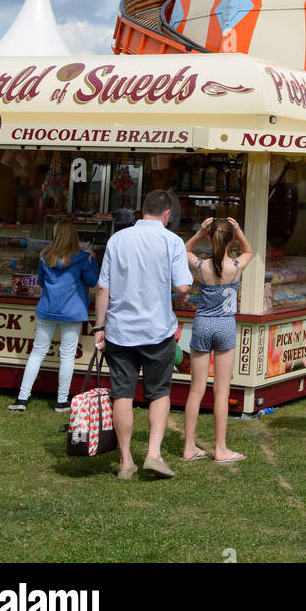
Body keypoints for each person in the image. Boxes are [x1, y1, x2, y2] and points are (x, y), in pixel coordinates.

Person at [94, 189, 192, 479]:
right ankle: (153, 454)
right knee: (159, 392)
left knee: (122, 393)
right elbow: (183, 287)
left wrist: (99, 327)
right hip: (156, 330)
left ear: (141, 210)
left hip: (119, 330)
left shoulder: (118, 239)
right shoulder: (172, 241)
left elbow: (104, 288)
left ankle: (126, 461)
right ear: (166, 214)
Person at [7, 220, 99, 413]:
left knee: (37, 353)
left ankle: (22, 398)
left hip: (47, 309)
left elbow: (40, 281)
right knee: (67, 356)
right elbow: (91, 281)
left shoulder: (44, 256)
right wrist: (93, 261)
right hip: (72, 312)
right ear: (74, 236)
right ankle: (61, 401)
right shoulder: (83, 258)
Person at [181, 216, 252, 464]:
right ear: (230, 240)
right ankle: (220, 448)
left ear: (210, 238)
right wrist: (239, 232)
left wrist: (199, 233)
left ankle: (189, 446)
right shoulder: (235, 267)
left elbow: (184, 250)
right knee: (221, 390)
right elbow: (249, 250)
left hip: (202, 325)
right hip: (225, 326)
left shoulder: (201, 267)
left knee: (196, 389)